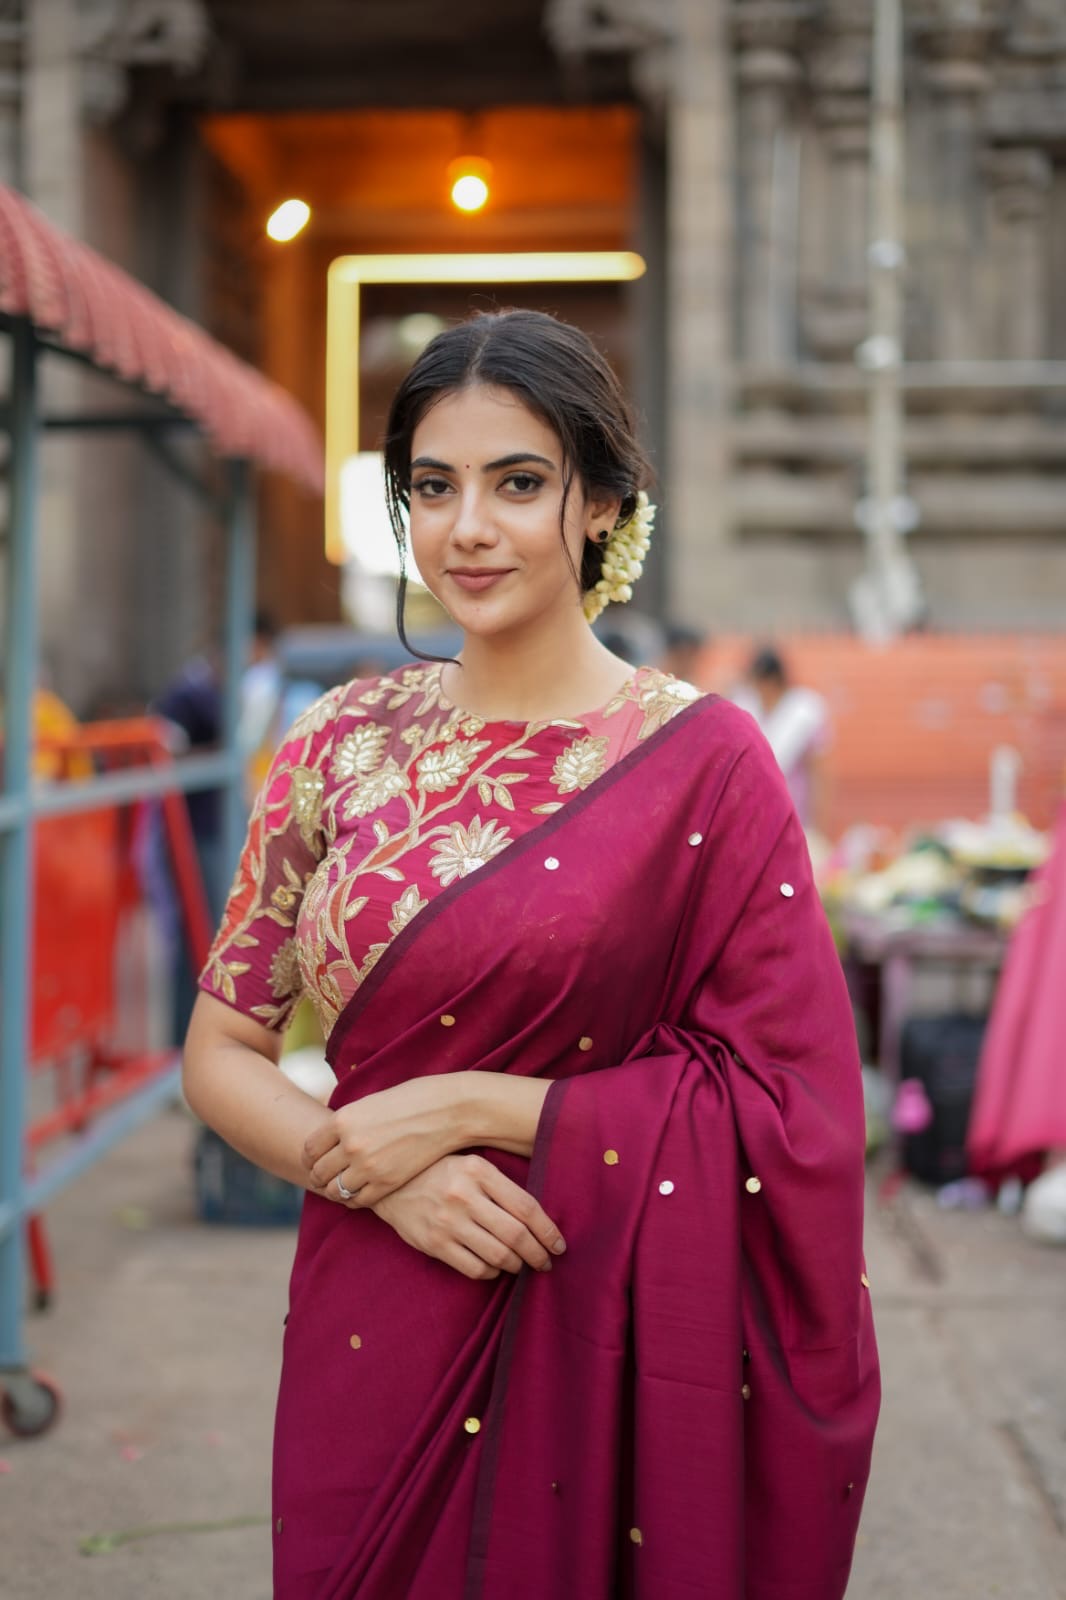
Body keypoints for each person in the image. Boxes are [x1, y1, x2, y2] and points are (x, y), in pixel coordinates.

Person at [183, 309, 878, 1599]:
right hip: (370, 1301)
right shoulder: (339, 741)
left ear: (602, 503)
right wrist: (378, 1180)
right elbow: (222, 1049)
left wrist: (472, 1106)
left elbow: (796, 1108)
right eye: (431, 487)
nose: (468, 528)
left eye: (517, 483)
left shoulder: (704, 763)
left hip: (589, 1307)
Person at [734, 645, 830, 834]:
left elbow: (821, 771)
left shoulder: (806, 710)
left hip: (793, 810)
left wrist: (820, 823)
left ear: (773, 680)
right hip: (752, 813)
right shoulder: (746, 704)